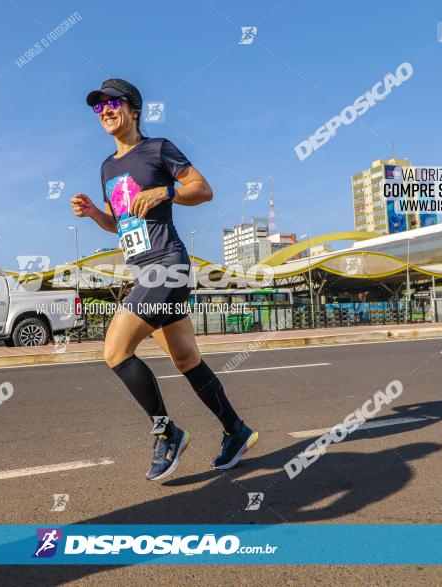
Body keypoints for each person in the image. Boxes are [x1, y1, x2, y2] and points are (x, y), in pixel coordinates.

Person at [70, 78, 258, 481]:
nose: (105, 111)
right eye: (98, 107)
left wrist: (165, 192)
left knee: (116, 351)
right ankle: (236, 430)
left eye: (112, 103)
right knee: (186, 359)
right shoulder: (107, 167)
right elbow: (119, 223)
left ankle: (167, 432)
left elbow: (202, 189)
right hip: (144, 270)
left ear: (133, 109)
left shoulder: (158, 149)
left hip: (167, 264)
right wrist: (94, 214)